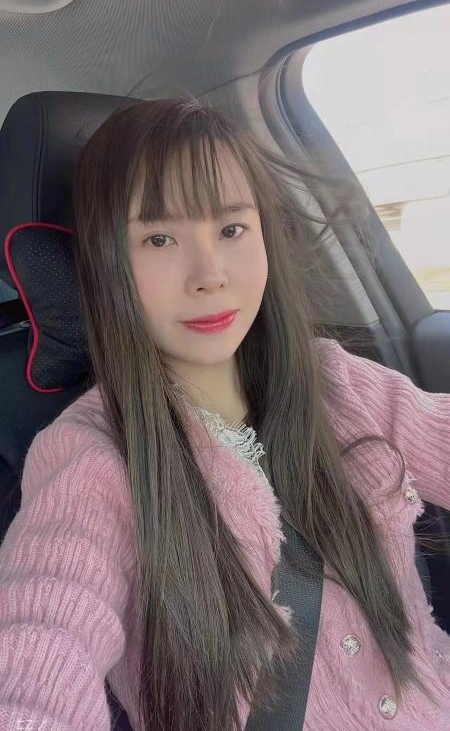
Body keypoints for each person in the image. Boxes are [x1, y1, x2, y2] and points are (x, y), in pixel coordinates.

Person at [0, 97, 449, 731]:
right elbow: (43, 637)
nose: (209, 275)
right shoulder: (92, 459)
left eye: (232, 229)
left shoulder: (337, 382)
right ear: (107, 263)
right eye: (159, 238)